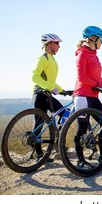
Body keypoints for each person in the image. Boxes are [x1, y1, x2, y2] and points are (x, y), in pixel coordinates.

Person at [73, 26, 102, 167]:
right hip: (82, 96)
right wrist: (96, 85)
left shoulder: (94, 55)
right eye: (101, 40)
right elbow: (82, 77)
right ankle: (80, 160)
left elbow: (98, 78)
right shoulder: (82, 55)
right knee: (82, 129)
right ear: (93, 39)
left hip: (93, 95)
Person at [32, 33, 65, 161]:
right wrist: (49, 87)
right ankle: (38, 154)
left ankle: (58, 140)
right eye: (57, 44)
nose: (59, 46)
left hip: (47, 94)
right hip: (40, 94)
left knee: (65, 114)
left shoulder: (52, 58)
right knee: (39, 124)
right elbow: (35, 76)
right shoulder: (43, 58)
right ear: (50, 44)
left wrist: (63, 90)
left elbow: (51, 81)